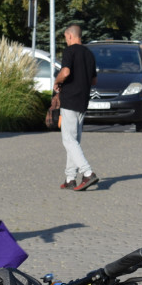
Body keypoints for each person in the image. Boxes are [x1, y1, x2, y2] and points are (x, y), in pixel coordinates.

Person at [53, 24, 99, 191]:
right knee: (74, 141)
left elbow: (65, 72)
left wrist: (57, 82)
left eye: (66, 37)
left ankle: (88, 173)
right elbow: (94, 81)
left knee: (69, 140)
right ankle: (70, 178)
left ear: (70, 36)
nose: (66, 41)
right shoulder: (89, 54)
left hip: (70, 100)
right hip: (83, 102)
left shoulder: (70, 51)